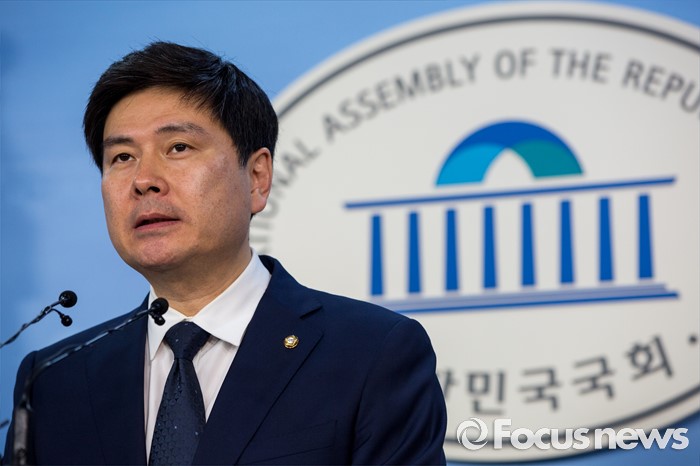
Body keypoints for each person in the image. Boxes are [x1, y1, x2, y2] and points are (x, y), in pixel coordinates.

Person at [4, 41, 447, 465]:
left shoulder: (370, 354)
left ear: (257, 178)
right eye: (121, 157)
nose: (143, 180)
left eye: (178, 147)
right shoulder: (53, 380)